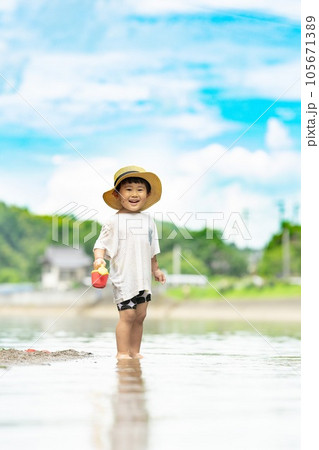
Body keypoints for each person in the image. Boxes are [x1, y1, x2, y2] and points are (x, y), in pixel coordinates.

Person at [93, 165, 166, 359]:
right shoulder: (113, 221)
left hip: (143, 278)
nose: (134, 194)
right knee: (128, 315)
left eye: (140, 190)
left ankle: (135, 351)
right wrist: (99, 259)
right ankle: (122, 352)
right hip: (124, 277)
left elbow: (152, 250)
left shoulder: (149, 221)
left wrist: (156, 270)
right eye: (128, 189)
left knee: (141, 316)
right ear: (118, 195)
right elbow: (100, 243)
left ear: (147, 194)